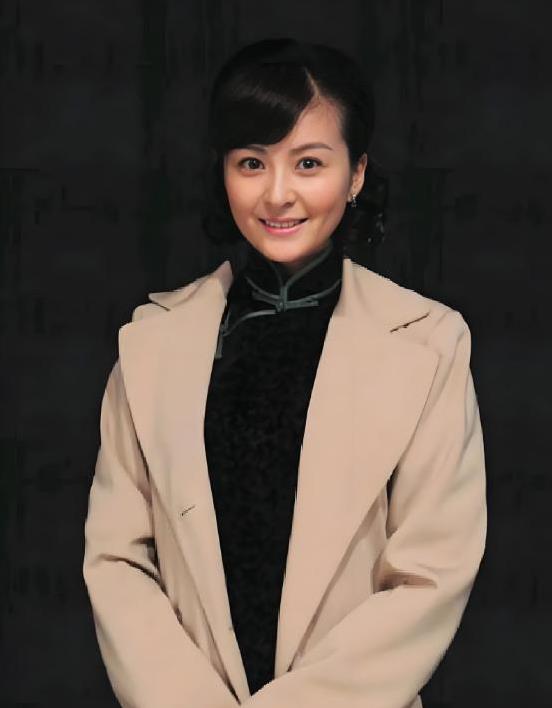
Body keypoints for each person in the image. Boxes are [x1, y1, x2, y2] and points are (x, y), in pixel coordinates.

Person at [83, 38, 487, 708]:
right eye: (251, 163)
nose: (277, 194)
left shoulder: (431, 344)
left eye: (308, 163)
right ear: (223, 173)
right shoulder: (151, 343)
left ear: (356, 174)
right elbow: (117, 560)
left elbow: (430, 576)